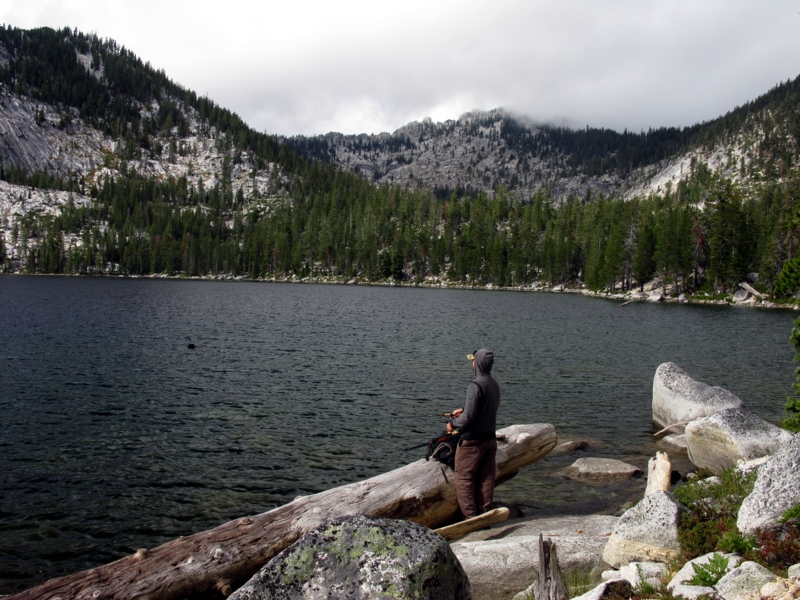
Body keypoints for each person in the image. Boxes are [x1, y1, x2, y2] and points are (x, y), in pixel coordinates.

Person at [446, 348, 500, 518]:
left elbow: (468, 418)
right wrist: (463, 410)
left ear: (478, 363)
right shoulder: (494, 384)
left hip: (473, 441)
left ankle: (470, 518)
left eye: (473, 360)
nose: (472, 363)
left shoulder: (475, 385)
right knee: (486, 478)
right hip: (490, 439)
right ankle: (485, 514)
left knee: (463, 478)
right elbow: (483, 409)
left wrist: (452, 423)